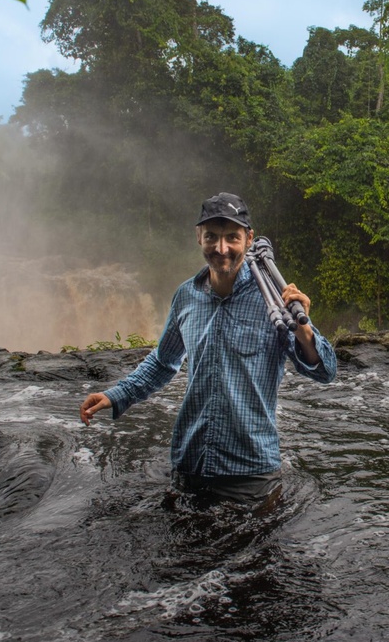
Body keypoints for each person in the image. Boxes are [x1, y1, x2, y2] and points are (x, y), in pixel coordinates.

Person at [79, 192, 338, 507]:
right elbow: (162, 363)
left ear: (248, 239)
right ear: (198, 236)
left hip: (250, 473)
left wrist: (304, 329)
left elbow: (326, 371)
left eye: (232, 237)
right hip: (190, 463)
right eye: (212, 237)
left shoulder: (273, 300)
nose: (221, 248)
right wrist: (115, 395)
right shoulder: (186, 296)